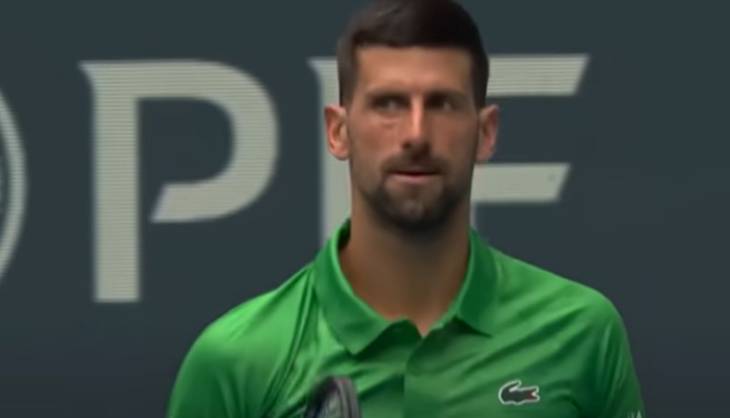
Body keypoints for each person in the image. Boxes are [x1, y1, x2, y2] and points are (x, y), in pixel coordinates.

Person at [167, 0, 646, 417]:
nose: (416, 134)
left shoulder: (582, 333)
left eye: (442, 104)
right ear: (338, 131)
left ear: (485, 133)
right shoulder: (235, 362)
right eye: (388, 104)